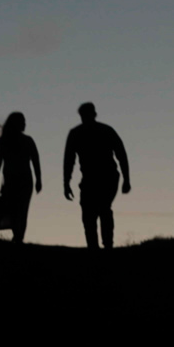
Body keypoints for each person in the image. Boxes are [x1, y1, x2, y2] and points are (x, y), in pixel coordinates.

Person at [61, 102, 130, 249]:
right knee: (93, 212)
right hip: (95, 178)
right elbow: (69, 160)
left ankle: (104, 245)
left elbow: (121, 154)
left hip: (107, 177)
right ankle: (97, 246)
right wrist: (66, 183)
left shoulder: (84, 132)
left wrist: (127, 179)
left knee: (100, 210)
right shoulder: (89, 132)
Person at [0, 112, 42, 243]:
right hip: (11, 182)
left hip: (24, 182)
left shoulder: (27, 140)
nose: (25, 124)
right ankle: (17, 234)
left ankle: (18, 237)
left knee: (21, 210)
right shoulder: (4, 141)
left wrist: (39, 180)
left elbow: (35, 161)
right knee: (14, 210)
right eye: (22, 122)